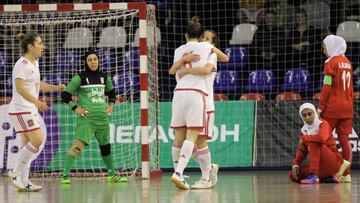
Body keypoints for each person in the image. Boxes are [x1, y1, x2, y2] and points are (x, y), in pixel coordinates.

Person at [170, 29, 229, 189]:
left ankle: (206, 177)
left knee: (201, 142)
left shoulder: (212, 55)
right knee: (191, 143)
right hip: (191, 99)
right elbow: (174, 72)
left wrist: (186, 69)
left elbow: (206, 70)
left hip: (206, 103)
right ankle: (209, 169)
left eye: (208, 38)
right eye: (203, 36)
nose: (204, 40)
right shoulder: (194, 53)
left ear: (213, 43)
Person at [7, 32, 65, 192]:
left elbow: (36, 84)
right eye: (40, 43)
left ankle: (24, 182)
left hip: (28, 109)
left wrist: (55, 88)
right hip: (21, 109)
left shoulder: (35, 63)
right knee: (37, 140)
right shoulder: (22, 64)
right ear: (30, 46)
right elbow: (19, 88)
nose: (43, 46)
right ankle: (13, 172)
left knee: (28, 145)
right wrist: (37, 102)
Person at [60, 50, 128, 184]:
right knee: (78, 146)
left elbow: (112, 95)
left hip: (102, 119)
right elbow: (65, 95)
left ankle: (112, 175)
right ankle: (64, 175)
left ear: (98, 60)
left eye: (95, 59)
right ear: (86, 62)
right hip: (87, 119)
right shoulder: (80, 77)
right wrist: (76, 108)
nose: (93, 62)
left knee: (105, 147)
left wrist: (111, 106)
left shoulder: (104, 77)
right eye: (90, 60)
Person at [318, 35, 354, 183]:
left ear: (331, 46)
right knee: (345, 140)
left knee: (324, 140)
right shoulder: (347, 62)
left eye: (324, 46)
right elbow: (350, 89)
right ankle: (346, 174)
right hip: (347, 107)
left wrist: (320, 107)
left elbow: (326, 87)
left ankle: (329, 170)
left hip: (332, 107)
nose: (323, 50)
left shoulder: (330, 63)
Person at [289, 103, 351, 184]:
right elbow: (302, 150)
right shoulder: (304, 130)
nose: (307, 117)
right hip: (319, 166)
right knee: (293, 175)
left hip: (333, 162)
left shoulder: (323, 124)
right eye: (304, 115)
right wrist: (296, 164)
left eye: (309, 114)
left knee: (314, 142)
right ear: (301, 117)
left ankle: (314, 176)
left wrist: (304, 138)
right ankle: (327, 178)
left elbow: (322, 138)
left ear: (314, 113)